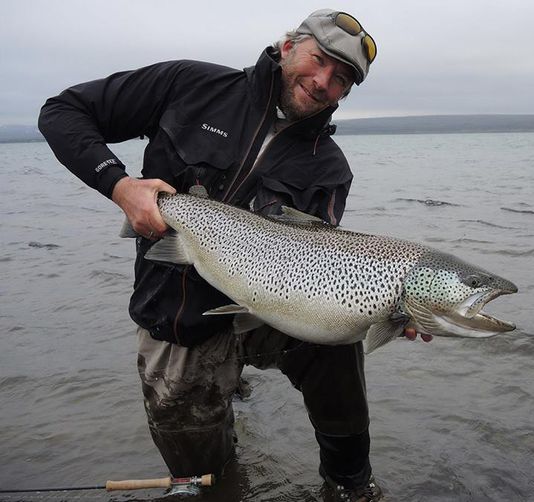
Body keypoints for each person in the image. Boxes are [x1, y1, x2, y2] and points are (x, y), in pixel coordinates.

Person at [38, 9, 389, 501]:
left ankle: (350, 484)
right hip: (179, 317)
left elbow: (319, 265)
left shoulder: (329, 168)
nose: (324, 82)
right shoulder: (190, 85)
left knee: (339, 343)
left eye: (342, 79)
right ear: (288, 46)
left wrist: (386, 309)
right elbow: (61, 112)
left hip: (265, 310)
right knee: (207, 478)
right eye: (321, 60)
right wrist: (120, 186)